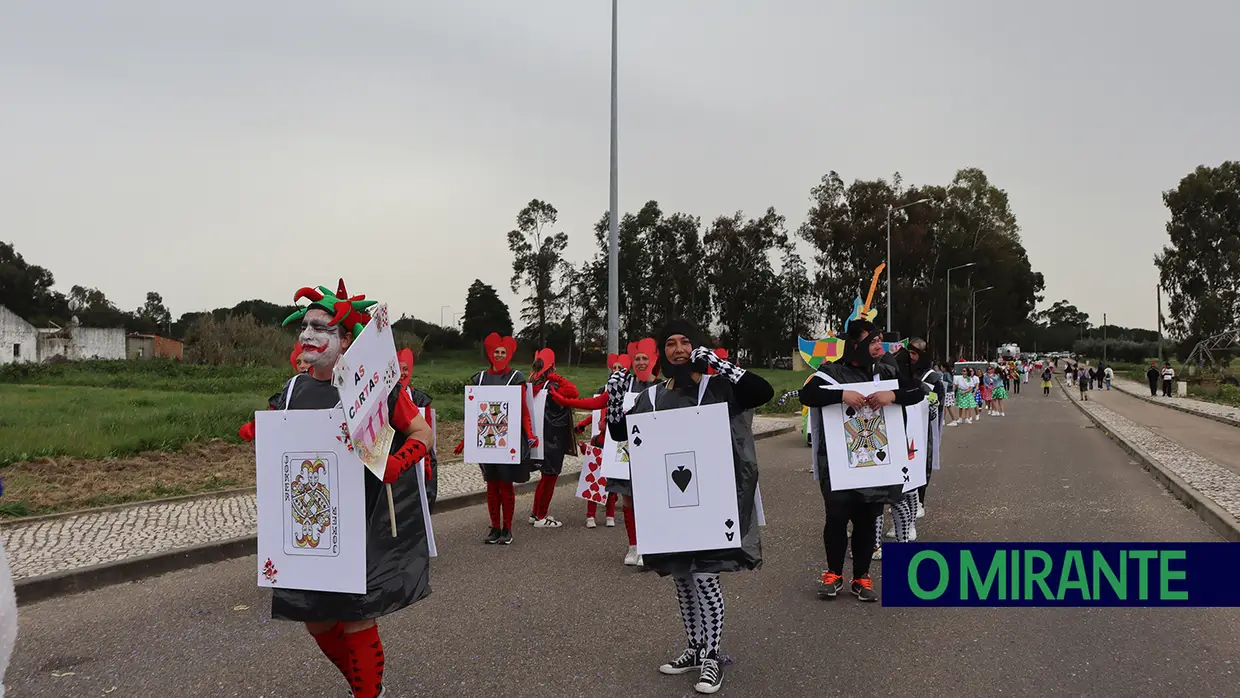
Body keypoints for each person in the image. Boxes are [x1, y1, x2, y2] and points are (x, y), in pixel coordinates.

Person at [270, 280, 435, 698]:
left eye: (320, 328)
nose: (307, 334)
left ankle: (368, 693)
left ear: (346, 339)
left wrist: (400, 461)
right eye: (305, 326)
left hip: (362, 517)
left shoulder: (377, 388)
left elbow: (422, 431)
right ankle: (362, 685)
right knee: (315, 619)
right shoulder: (292, 389)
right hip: (312, 521)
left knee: (357, 616)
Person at [606, 319, 773, 694]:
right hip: (670, 503)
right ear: (663, 352)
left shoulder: (719, 388)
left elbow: (762, 390)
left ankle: (713, 656)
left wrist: (717, 363)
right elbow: (621, 433)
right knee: (682, 577)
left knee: (705, 577)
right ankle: (695, 649)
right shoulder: (651, 397)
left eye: (685, 343)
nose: (678, 350)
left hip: (712, 500)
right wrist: (616, 397)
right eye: (670, 344)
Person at [800, 318, 923, 606]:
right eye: (873, 341)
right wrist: (842, 394)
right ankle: (833, 574)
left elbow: (916, 392)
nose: (879, 346)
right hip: (839, 464)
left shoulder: (887, 371)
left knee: (868, 520)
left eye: (880, 340)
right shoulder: (831, 372)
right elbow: (809, 394)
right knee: (837, 518)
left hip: (877, 463)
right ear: (856, 345)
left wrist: (892, 395)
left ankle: (861, 576)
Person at [454, 333, 536, 545]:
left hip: (507, 440)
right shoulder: (479, 379)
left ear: (508, 355)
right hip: (485, 440)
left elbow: (523, 411)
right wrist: (466, 441)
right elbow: (473, 414)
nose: (499, 355)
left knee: (505, 485)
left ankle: (507, 528)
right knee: (491, 486)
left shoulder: (516, 378)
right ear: (490, 354)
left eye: (503, 352)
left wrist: (530, 433)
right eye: (496, 352)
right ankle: (495, 527)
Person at [526, 349, 579, 528]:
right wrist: (558, 378)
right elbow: (574, 392)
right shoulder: (553, 386)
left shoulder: (531, 385)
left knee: (545, 477)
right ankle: (542, 516)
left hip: (540, 436)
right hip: (554, 437)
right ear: (552, 367)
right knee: (550, 478)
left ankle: (535, 513)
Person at [398, 348, 438, 513]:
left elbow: (428, 433)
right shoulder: (383, 397)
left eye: (405, 369)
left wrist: (427, 464)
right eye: (397, 369)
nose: (402, 374)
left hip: (419, 456)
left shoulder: (420, 399)